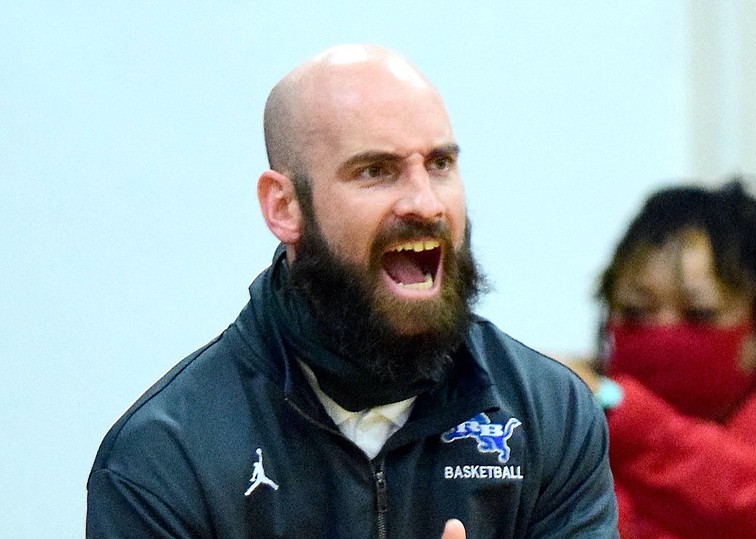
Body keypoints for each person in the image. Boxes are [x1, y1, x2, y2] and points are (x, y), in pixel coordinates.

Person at [86, 44, 618, 538]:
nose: (425, 203)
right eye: (375, 171)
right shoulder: (166, 456)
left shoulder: (549, 414)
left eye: (439, 164)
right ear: (284, 208)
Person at [562, 178, 756, 537]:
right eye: (636, 311)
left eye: (699, 315)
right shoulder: (568, 411)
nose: (663, 332)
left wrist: (618, 408)